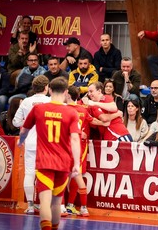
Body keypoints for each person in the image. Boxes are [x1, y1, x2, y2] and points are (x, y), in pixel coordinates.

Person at [18, 77, 81, 230]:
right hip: (63, 163)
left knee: (45, 202)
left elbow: (24, 129)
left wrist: (21, 142)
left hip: (44, 162)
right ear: (66, 92)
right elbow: (74, 139)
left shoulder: (39, 109)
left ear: (50, 90)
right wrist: (77, 164)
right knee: (56, 203)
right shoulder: (71, 112)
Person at [65, 85, 107, 217]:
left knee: (62, 177)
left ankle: (64, 206)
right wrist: (105, 123)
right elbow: (93, 120)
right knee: (78, 176)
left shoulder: (64, 110)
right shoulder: (82, 110)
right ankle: (80, 207)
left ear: (67, 95)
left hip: (66, 146)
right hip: (80, 147)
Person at [13, 75, 51, 215]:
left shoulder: (26, 102)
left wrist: (28, 123)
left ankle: (30, 205)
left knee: (29, 173)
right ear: (46, 87)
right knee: (45, 174)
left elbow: (16, 122)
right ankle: (43, 205)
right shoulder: (51, 101)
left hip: (30, 143)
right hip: (47, 144)